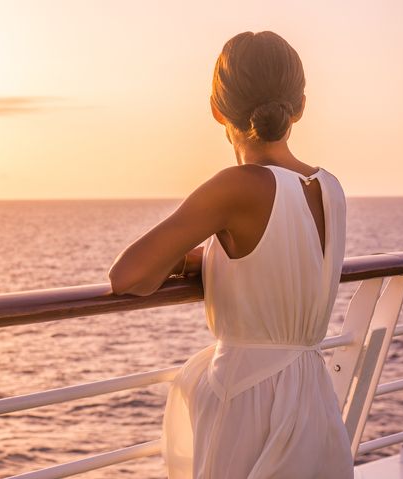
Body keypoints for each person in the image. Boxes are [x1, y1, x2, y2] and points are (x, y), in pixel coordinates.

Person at [108, 30, 354, 478]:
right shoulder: (330, 187)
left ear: (215, 107)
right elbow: (281, 261)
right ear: (299, 106)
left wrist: (182, 257)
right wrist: (208, 261)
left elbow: (129, 276)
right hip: (311, 394)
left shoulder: (238, 186)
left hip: (249, 399)